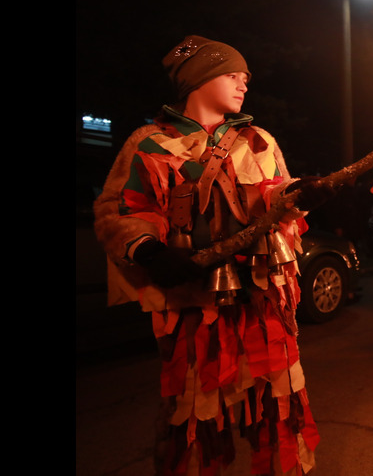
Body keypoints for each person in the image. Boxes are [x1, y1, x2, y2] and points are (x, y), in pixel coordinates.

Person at [93, 36, 320, 475]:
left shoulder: (259, 141)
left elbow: (274, 194)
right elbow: (121, 209)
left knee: (278, 401)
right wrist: (148, 249)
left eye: (246, 78)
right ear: (198, 79)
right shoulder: (149, 144)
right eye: (233, 75)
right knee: (195, 413)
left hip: (262, 300)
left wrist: (300, 193)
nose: (243, 85)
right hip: (193, 305)